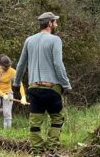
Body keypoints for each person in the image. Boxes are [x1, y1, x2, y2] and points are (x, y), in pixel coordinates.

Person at [14, 11, 72, 149]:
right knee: (57, 118)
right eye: (55, 22)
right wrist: (66, 84)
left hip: (34, 88)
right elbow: (58, 64)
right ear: (50, 24)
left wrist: (16, 83)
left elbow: (21, 64)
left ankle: (37, 150)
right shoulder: (55, 40)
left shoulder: (29, 40)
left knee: (35, 121)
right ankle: (52, 147)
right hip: (52, 88)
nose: (56, 24)